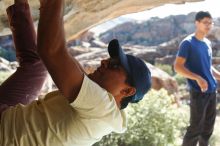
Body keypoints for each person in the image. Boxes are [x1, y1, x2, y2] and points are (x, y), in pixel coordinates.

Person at [0, 0, 151, 145]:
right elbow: (64, 59)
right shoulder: (102, 103)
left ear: (127, 90)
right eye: (109, 60)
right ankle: (20, 3)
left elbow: (51, 51)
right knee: (36, 66)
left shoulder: (101, 107)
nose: (104, 62)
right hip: (8, 117)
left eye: (115, 65)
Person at [174, 11, 220, 146]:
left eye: (211, 23)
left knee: (207, 129)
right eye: (205, 22)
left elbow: (207, 66)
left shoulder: (207, 43)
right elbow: (177, 67)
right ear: (197, 23)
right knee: (195, 129)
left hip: (212, 90)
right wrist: (197, 78)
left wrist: (218, 76)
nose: (209, 25)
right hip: (198, 92)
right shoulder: (187, 43)